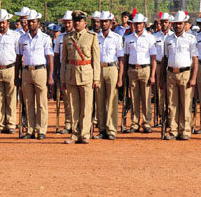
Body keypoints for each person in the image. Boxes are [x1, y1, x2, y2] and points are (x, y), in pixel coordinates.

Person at [61, 10, 100, 144]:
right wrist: (62, 78)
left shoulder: (92, 37)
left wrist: (96, 78)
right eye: (75, 20)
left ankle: (84, 134)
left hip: (87, 74)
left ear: (85, 23)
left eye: (79, 21)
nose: (77, 23)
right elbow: (64, 60)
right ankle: (74, 134)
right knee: (73, 106)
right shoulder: (67, 37)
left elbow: (96, 59)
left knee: (87, 106)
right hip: (71, 74)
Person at [15, 9, 54, 140]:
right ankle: (30, 130)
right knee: (28, 102)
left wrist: (50, 76)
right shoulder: (22, 39)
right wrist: (17, 75)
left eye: (34, 22)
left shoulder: (45, 38)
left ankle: (41, 129)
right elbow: (18, 58)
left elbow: (50, 58)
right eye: (29, 22)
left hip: (40, 71)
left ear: (38, 23)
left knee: (41, 103)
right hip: (26, 71)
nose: (31, 24)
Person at [160, 11, 198, 140]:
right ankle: (173, 130)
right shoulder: (168, 39)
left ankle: (185, 130)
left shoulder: (191, 39)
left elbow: (195, 59)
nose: (177, 26)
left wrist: (193, 77)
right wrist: (161, 77)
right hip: (171, 73)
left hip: (185, 73)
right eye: (175, 24)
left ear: (184, 24)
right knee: (172, 104)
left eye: (180, 23)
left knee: (186, 103)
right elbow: (165, 58)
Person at [124, 13, 157, 133]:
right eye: (136, 24)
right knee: (133, 97)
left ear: (144, 24)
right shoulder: (128, 38)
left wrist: (153, 74)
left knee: (146, 97)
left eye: (140, 24)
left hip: (145, 69)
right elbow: (125, 56)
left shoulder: (150, 38)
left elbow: (153, 58)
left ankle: (146, 122)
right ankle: (134, 122)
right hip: (132, 69)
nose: (138, 26)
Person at [94, 11, 123, 140]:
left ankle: (111, 129)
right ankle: (102, 129)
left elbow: (121, 59)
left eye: (106, 21)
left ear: (111, 23)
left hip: (112, 68)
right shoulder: (95, 37)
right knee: (99, 101)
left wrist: (120, 77)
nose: (104, 24)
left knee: (112, 100)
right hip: (98, 68)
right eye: (102, 21)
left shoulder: (116, 38)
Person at [54, 10, 74, 134]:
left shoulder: (78, 36)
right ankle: (68, 124)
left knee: (77, 98)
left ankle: (77, 124)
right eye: (66, 23)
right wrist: (56, 73)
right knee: (66, 98)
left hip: (76, 68)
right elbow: (56, 56)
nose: (67, 25)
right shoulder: (60, 38)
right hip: (64, 68)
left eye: (69, 22)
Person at [153, 12, 173, 125]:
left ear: (169, 23)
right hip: (159, 65)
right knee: (160, 92)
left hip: (170, 65)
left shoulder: (172, 37)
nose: (164, 24)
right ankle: (161, 116)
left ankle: (171, 117)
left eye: (166, 22)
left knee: (170, 92)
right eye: (162, 22)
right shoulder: (155, 37)